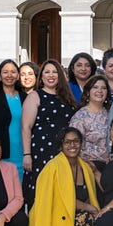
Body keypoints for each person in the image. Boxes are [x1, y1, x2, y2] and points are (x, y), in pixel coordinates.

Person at [25, 127, 100, 226]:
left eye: (76, 141)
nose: (72, 145)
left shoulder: (85, 167)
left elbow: (91, 198)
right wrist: (87, 207)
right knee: (84, 217)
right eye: (68, 142)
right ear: (61, 145)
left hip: (74, 214)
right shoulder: (52, 167)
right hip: (55, 216)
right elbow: (59, 201)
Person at [21, 59, 78, 204]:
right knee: (42, 195)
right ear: (41, 76)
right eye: (47, 72)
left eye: (54, 72)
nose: (51, 75)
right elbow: (26, 127)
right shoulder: (35, 96)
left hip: (64, 152)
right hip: (41, 151)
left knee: (61, 195)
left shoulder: (67, 97)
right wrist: (27, 155)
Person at [0, 59, 27, 178]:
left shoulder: (25, 97)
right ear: (0, 76)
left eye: (13, 72)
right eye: (5, 72)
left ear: (18, 75)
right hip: (3, 152)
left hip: (24, 151)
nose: (9, 75)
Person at [70, 75, 112, 169]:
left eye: (103, 88)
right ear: (88, 92)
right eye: (95, 87)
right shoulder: (80, 116)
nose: (100, 91)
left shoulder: (110, 113)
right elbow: (75, 144)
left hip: (111, 164)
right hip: (88, 165)